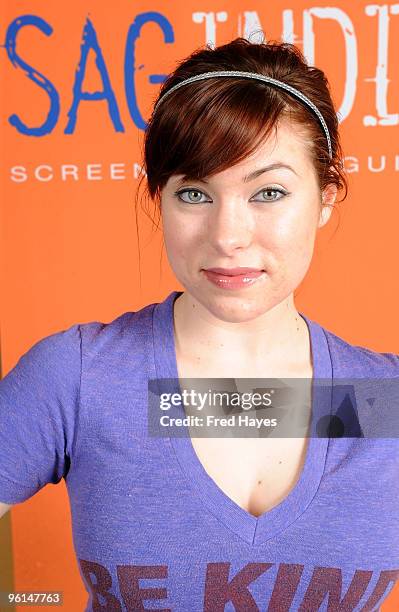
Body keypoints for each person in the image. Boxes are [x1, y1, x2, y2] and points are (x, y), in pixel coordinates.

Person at [1, 37, 399, 611]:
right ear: (159, 197)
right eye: (194, 192)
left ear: (326, 195)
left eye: (268, 192)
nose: (228, 236)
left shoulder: (379, 400)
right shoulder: (81, 378)